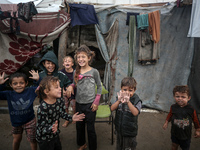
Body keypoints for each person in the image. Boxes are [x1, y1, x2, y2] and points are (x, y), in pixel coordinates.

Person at [67, 45, 102, 150]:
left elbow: (99, 87)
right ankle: (82, 144)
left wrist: (96, 102)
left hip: (90, 105)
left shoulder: (94, 72)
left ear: (89, 58)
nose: (80, 59)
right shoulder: (75, 72)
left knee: (90, 129)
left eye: (83, 57)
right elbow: (74, 83)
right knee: (79, 126)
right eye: (78, 57)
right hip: (79, 104)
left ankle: (92, 147)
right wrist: (70, 86)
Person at [35, 76, 85, 150]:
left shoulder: (59, 101)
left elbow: (61, 113)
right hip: (45, 139)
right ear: (46, 91)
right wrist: (51, 128)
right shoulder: (43, 107)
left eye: (59, 86)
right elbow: (41, 127)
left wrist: (71, 118)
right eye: (56, 87)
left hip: (55, 135)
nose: (60, 88)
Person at [0, 71, 40, 150]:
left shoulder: (31, 91)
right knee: (16, 140)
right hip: (16, 122)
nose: (18, 85)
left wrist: (38, 80)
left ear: (26, 83)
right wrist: (1, 85)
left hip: (30, 121)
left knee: (33, 140)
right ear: (10, 85)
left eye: (21, 83)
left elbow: (42, 88)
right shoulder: (8, 94)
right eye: (15, 84)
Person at [163, 85, 200, 150]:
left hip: (185, 135)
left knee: (185, 148)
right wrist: (166, 122)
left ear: (189, 98)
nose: (180, 99)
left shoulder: (191, 109)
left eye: (183, 97)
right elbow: (170, 115)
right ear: (174, 97)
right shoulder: (173, 107)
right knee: (174, 146)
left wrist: (198, 130)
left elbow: (196, 120)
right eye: (177, 96)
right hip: (175, 133)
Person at [111, 77, 142, 150]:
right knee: (119, 146)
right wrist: (118, 101)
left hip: (130, 132)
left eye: (130, 90)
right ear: (121, 89)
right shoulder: (119, 98)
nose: (127, 92)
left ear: (135, 90)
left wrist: (128, 102)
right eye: (124, 90)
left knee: (128, 147)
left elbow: (135, 113)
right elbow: (112, 108)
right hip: (120, 130)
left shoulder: (136, 100)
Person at [60, 56, 76, 127]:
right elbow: (59, 82)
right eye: (65, 61)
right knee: (66, 107)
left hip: (74, 94)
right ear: (63, 64)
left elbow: (77, 82)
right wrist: (62, 90)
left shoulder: (75, 72)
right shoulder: (61, 72)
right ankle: (67, 119)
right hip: (65, 94)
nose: (67, 62)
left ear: (72, 64)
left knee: (74, 107)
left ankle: (75, 118)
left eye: (69, 61)